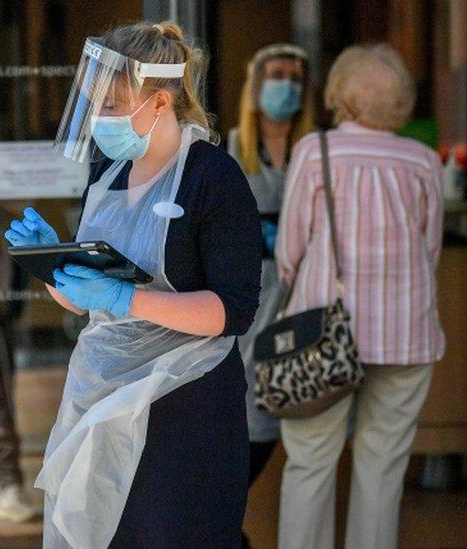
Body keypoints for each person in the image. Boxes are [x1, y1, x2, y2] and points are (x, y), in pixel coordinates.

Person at [5, 22, 261, 548]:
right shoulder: (107, 171)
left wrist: (127, 298)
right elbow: (83, 304)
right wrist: (54, 264)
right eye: (94, 105)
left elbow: (232, 310)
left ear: (160, 102)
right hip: (101, 393)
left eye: (113, 106)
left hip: (186, 403)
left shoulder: (214, 178)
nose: (99, 119)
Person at [275, 44, 445, 549]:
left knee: (309, 462)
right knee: (383, 465)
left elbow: (290, 251)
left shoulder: (315, 151)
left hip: (320, 331)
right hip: (405, 334)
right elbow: (429, 248)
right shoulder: (422, 160)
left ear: (339, 96)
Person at [225, 43, 313, 548]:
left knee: (285, 416)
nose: (287, 86)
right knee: (246, 415)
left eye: (296, 78)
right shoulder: (234, 147)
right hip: (250, 299)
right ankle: (226, 528)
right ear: (256, 86)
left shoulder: (315, 150)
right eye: (277, 75)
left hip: (301, 298)